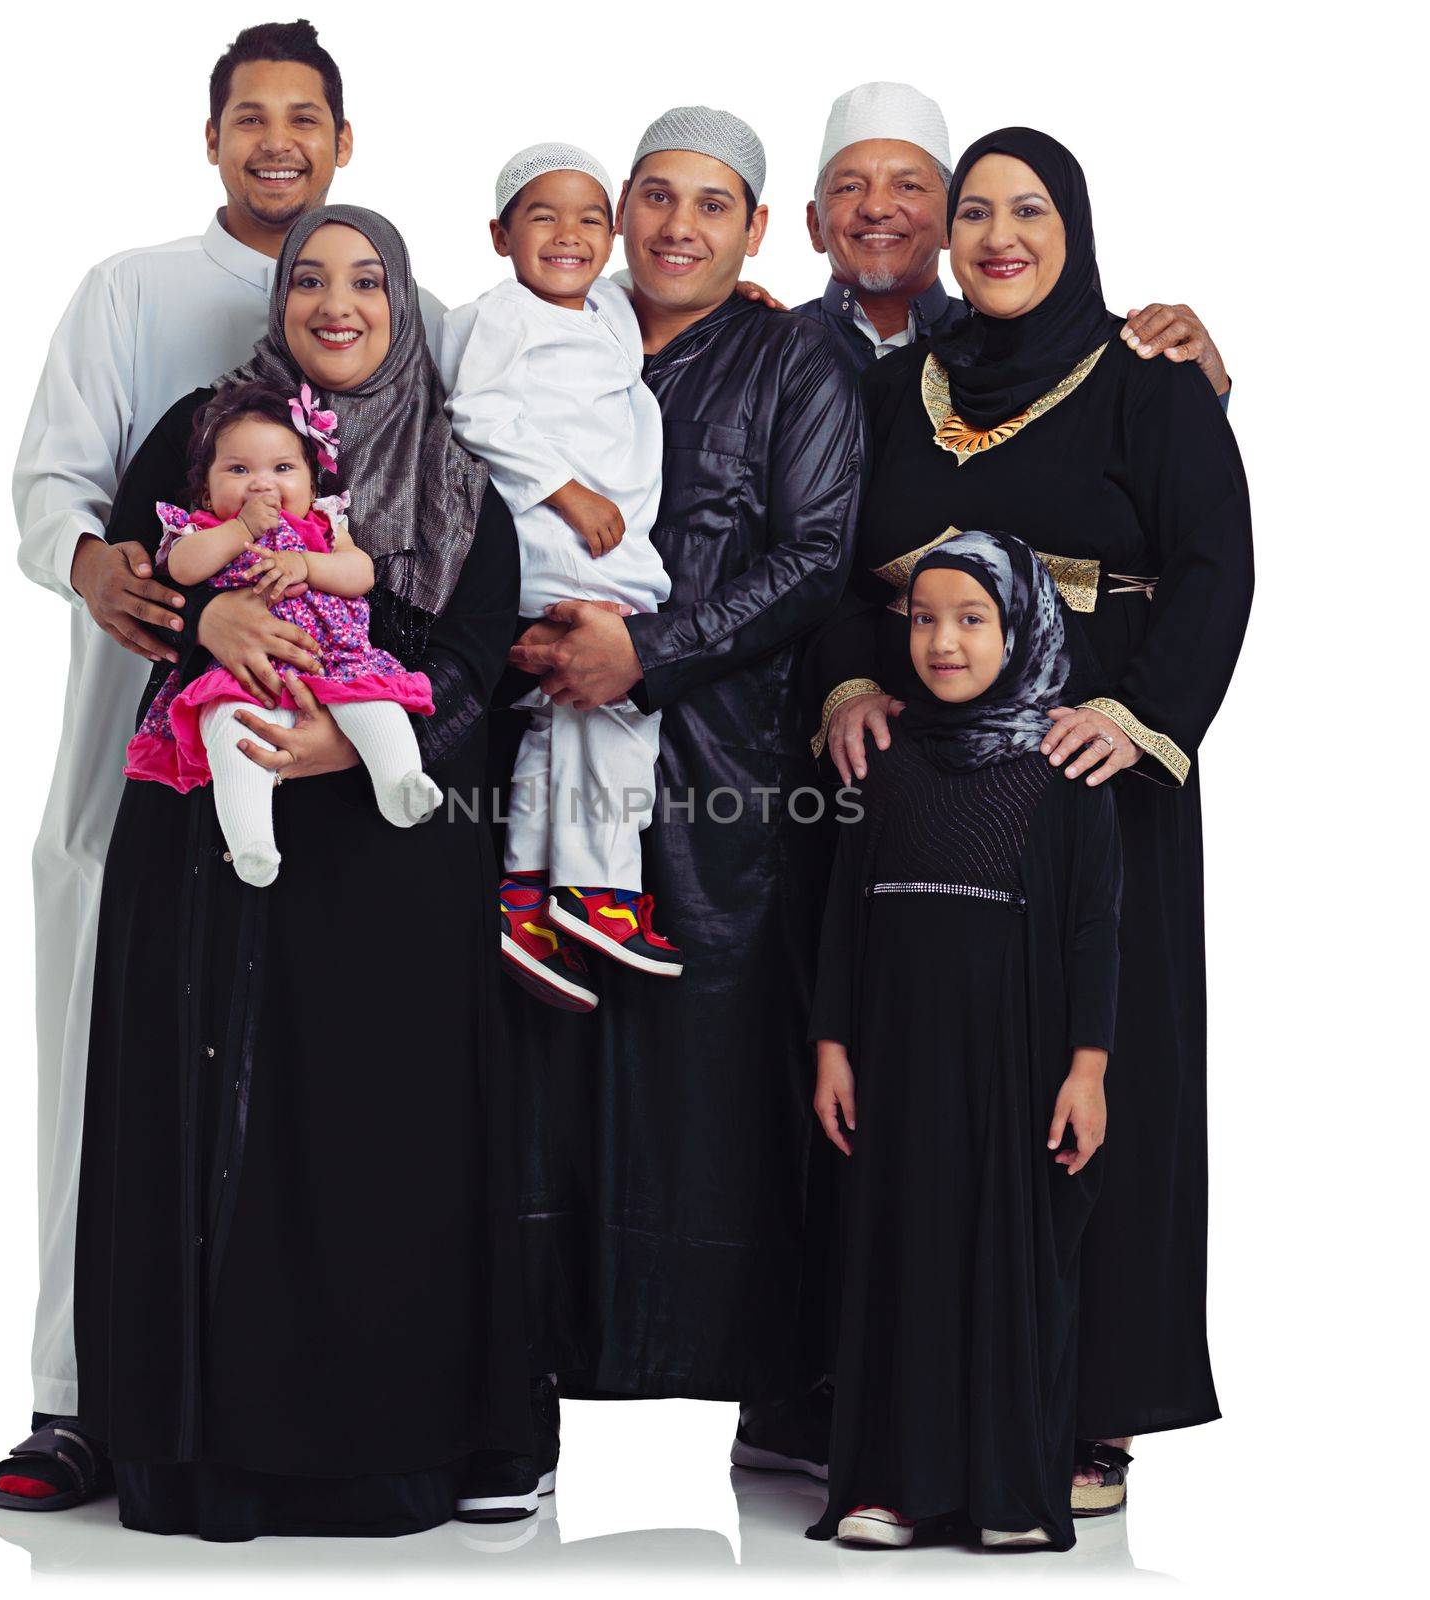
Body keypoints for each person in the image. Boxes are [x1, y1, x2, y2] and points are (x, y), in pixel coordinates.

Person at [0, 20, 446, 1508]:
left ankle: (282, 1400)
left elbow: (516, 406)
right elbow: (61, 483)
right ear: (211, 140)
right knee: (108, 1067)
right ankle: (75, 1396)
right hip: (152, 746)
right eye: (247, 117)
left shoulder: (399, 299)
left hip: (331, 774)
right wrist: (102, 570)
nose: (276, 143)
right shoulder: (132, 294)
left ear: (344, 143)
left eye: (303, 118)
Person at [809, 128, 1254, 1513]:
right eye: (978, 213)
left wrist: (1138, 716)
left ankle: (1093, 1405)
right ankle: (918, 1401)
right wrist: (844, 682)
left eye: (1030, 209)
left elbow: (1216, 568)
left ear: (1076, 226)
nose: (1001, 235)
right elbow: (835, 559)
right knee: (928, 1084)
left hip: (1088, 789)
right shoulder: (898, 390)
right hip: (926, 795)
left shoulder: (1152, 382)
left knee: (1087, 1083)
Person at [74, 206, 536, 1539]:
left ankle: (376, 1448)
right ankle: (199, 1452)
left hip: (387, 863)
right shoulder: (199, 434)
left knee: (372, 1135)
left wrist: (362, 738)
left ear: (405, 305)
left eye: (370, 281)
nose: (339, 306)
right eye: (311, 283)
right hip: (213, 840)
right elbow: (143, 581)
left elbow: (481, 653)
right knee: (214, 1125)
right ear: (279, 304)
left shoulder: (452, 470)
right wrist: (207, 616)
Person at [501, 106, 862, 1475]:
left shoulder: (793, 361)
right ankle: (521, 1382)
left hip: (723, 779)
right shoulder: (550, 330)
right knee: (547, 1063)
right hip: (539, 746)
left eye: (713, 205)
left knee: (716, 1078)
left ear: (758, 231)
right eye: (653, 197)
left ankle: (769, 1387)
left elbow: (817, 554)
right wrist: (527, 642)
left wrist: (642, 652)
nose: (676, 228)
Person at [805, 530, 1120, 1553]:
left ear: (1021, 625)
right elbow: (845, 913)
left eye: (970, 619)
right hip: (897, 1057)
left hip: (1014, 1059)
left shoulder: (1061, 767)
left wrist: (1086, 1066)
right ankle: (893, 1485)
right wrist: (832, 1048)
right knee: (900, 1252)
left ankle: (1003, 1490)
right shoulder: (887, 759)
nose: (941, 642)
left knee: (1006, 1261)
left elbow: (1091, 925)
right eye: (923, 619)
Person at [437, 144, 677, 1009]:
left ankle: (527, 897)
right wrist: (568, 493)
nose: (569, 235)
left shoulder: (605, 310)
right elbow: (478, 411)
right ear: (501, 235)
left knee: (558, 723)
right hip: (564, 544)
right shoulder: (504, 313)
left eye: (589, 219)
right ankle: (601, 892)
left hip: (597, 545)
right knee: (618, 711)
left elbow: (647, 303)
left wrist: (755, 296)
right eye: (543, 217)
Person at [125, 379, 442, 885]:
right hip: (244, 672)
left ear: (313, 487)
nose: (261, 484)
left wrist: (307, 565)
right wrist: (241, 530)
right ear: (207, 489)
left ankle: (401, 780)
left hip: (333, 656)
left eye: (283, 468)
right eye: (238, 469)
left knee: (372, 699)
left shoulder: (323, 524)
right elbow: (183, 568)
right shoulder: (203, 527)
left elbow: (360, 574)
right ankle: (251, 843)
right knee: (229, 729)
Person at [794, 82, 1231, 395]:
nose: (876, 207)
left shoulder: (1017, 345)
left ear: (952, 222)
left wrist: (1201, 388)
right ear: (815, 224)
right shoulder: (765, 345)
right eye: (849, 187)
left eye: (908, 186)